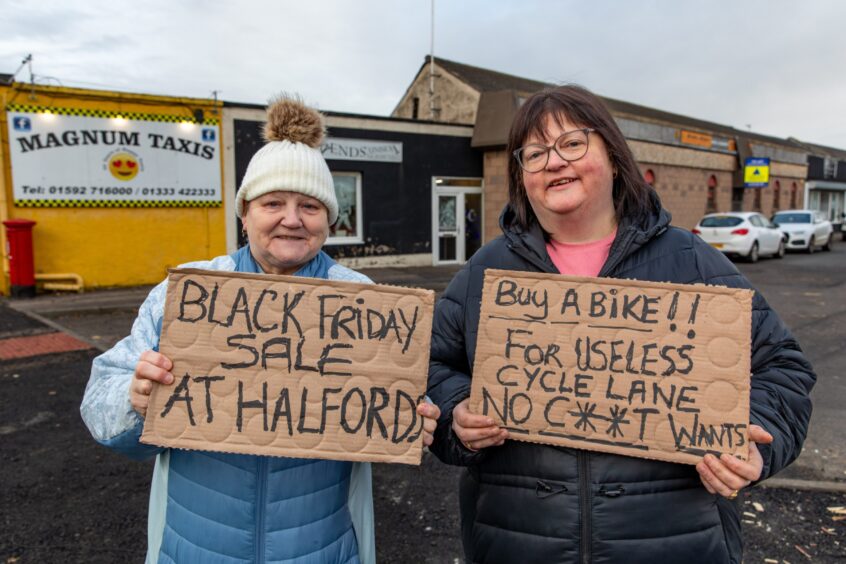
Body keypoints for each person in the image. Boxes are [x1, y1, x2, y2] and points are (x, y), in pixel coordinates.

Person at [427, 85, 815, 564]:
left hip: (674, 544)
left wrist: (753, 437)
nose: (554, 162)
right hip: (517, 542)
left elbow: (784, 366)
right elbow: (431, 365)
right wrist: (455, 415)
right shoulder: (485, 272)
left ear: (612, 154)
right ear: (521, 175)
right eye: (534, 153)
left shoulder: (692, 262)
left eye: (571, 143)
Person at [81, 95, 440, 564]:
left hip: (321, 549)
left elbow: (398, 400)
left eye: (309, 206)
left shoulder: (362, 300)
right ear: (245, 212)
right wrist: (134, 398)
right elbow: (99, 400)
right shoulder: (193, 292)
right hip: (194, 548)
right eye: (274, 202)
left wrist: (415, 416)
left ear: (329, 221)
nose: (292, 219)